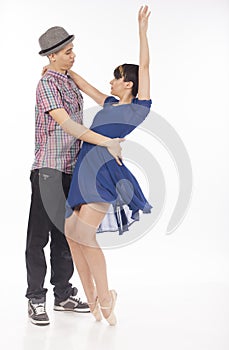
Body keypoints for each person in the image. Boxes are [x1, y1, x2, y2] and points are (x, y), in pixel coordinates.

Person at [26, 26, 124, 326]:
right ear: (53, 55)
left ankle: (63, 294)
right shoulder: (46, 85)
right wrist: (106, 141)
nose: (73, 55)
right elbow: (67, 125)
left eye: (72, 50)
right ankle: (35, 299)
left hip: (71, 169)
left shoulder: (67, 81)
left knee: (66, 237)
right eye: (68, 52)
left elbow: (99, 94)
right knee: (38, 237)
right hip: (48, 169)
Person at [64, 5, 152, 326]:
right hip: (83, 166)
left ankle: (106, 298)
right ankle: (92, 300)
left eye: (116, 78)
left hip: (104, 171)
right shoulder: (111, 103)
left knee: (86, 235)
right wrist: (60, 68)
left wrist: (141, 32)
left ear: (127, 83)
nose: (111, 83)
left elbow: (143, 66)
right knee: (72, 234)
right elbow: (88, 88)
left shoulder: (138, 109)